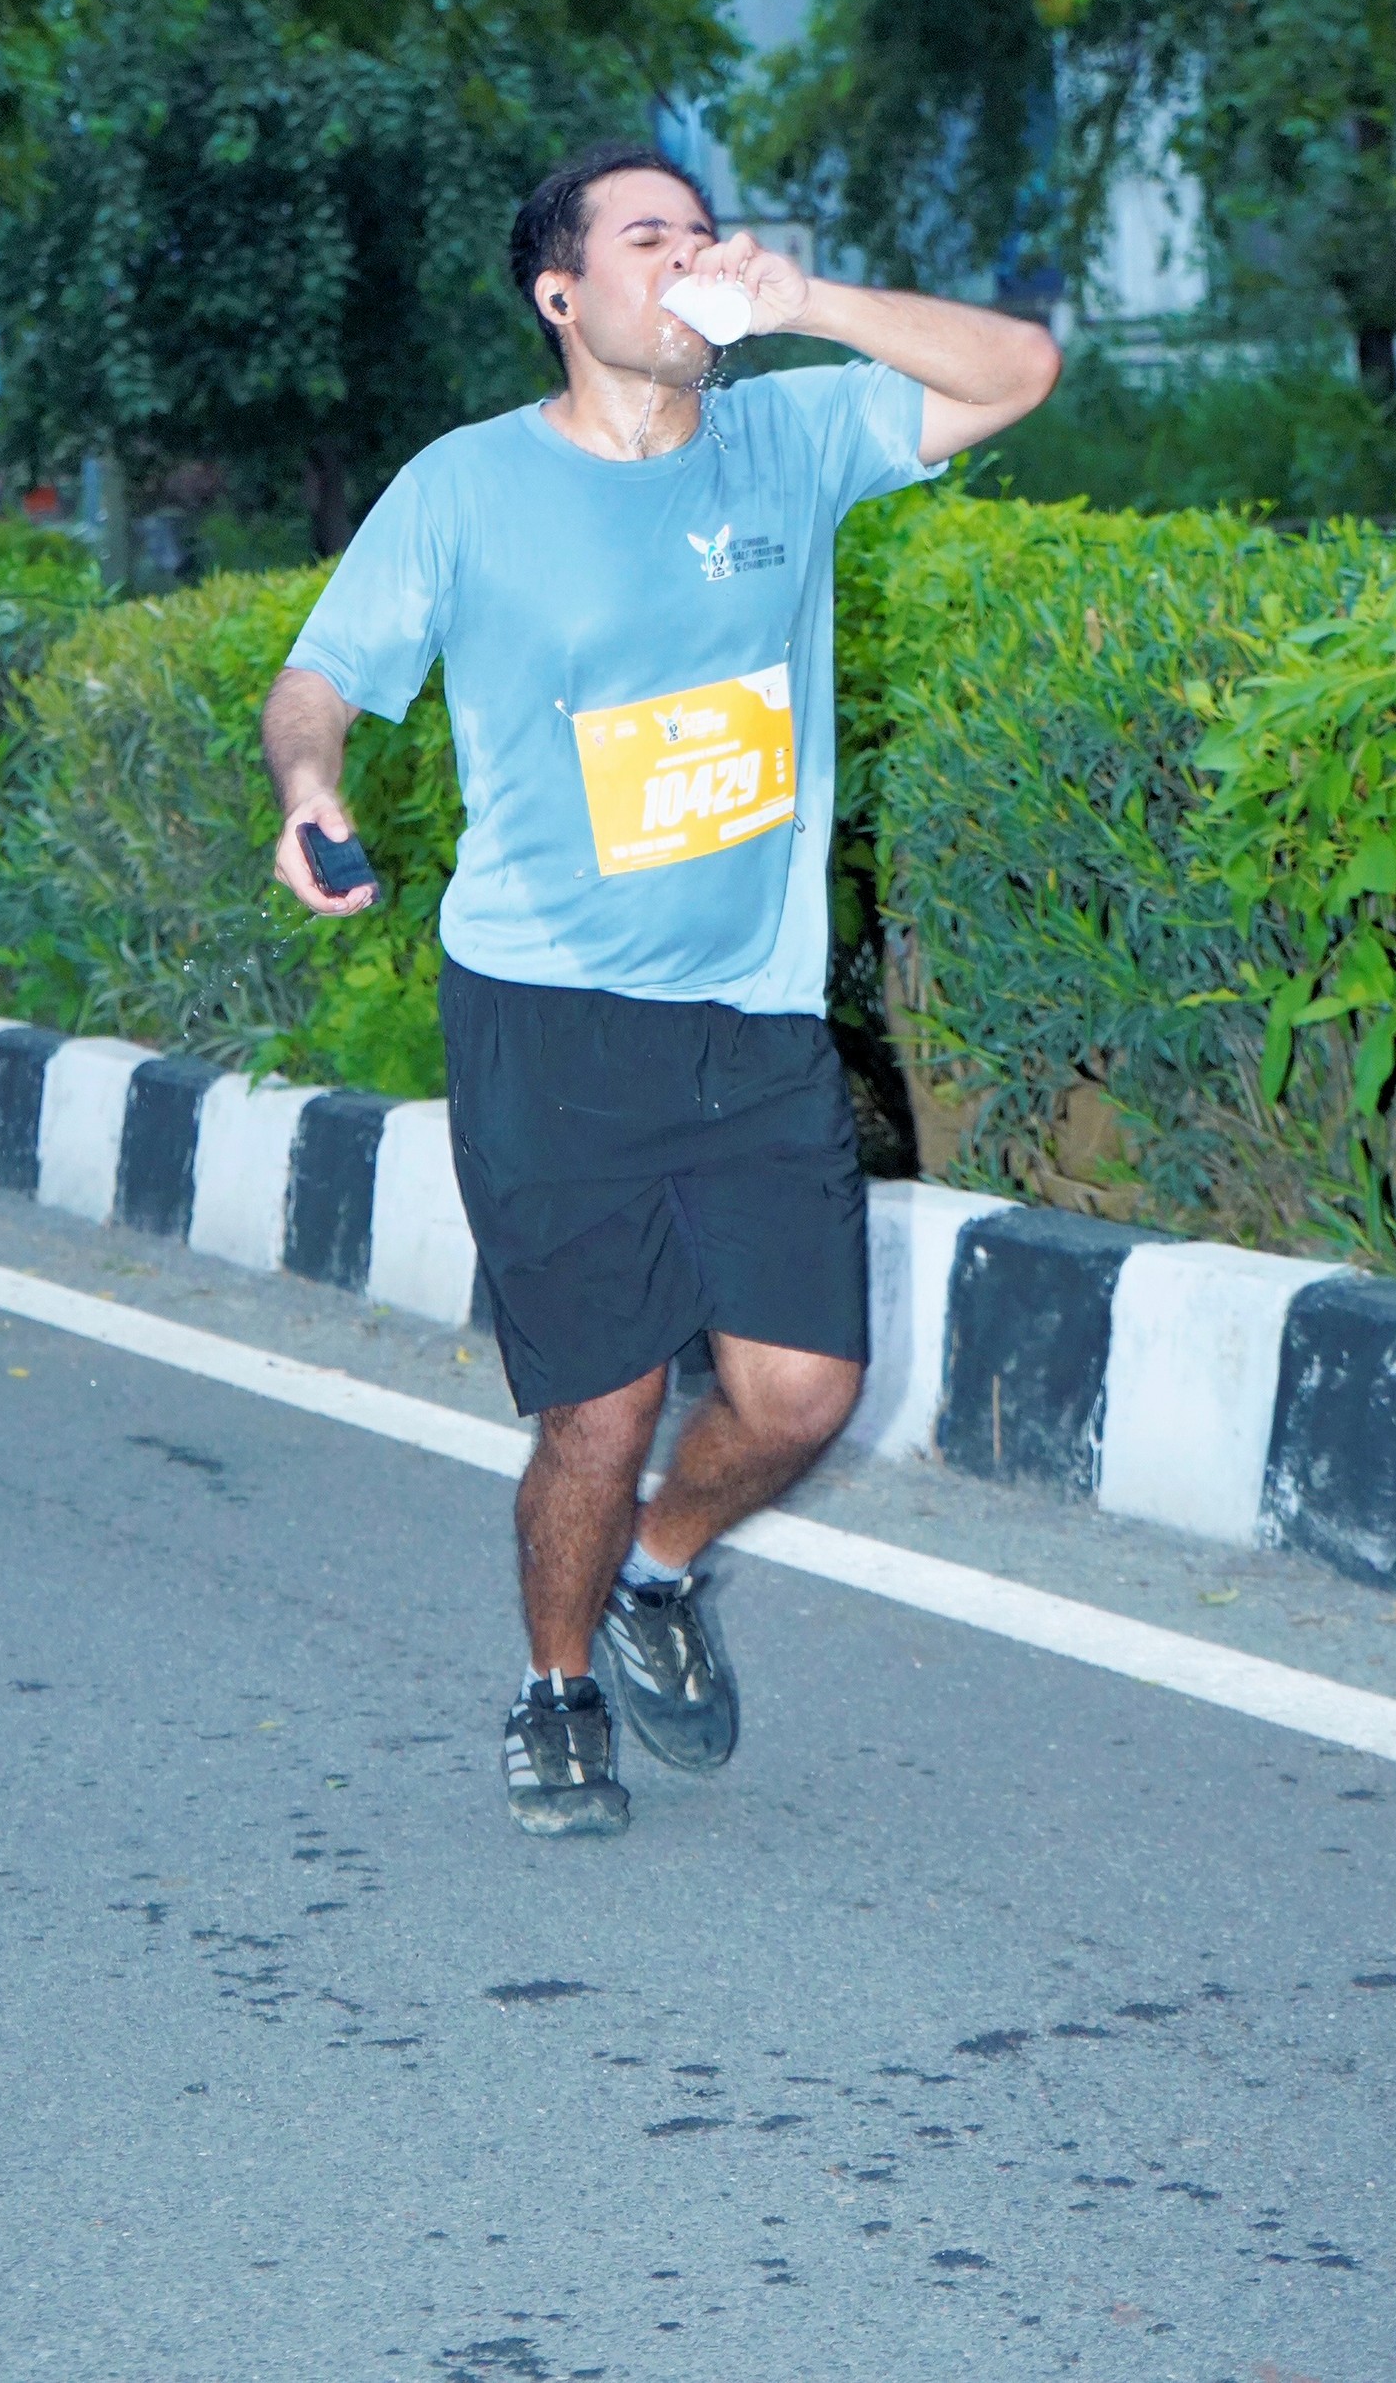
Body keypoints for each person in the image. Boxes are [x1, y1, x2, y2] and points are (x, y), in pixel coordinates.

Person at [260, 143, 1059, 1838]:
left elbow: (1021, 370)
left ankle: (659, 1574)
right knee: (601, 1407)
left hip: (751, 1013)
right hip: (546, 1016)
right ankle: (555, 1691)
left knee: (801, 1395)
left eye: (705, 233)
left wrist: (806, 299)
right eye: (651, 238)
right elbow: (318, 676)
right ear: (562, 293)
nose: (693, 258)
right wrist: (308, 787)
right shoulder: (468, 486)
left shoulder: (791, 435)